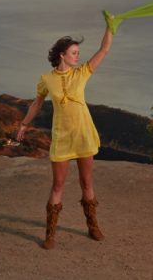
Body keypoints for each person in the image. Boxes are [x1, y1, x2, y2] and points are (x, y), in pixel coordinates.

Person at [15, 23, 114, 249]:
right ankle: (50, 234)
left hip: (83, 135)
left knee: (86, 182)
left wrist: (110, 27)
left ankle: (93, 226)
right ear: (62, 55)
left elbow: (104, 49)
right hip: (62, 138)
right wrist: (23, 124)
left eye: (78, 53)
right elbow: (37, 103)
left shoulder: (83, 72)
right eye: (74, 53)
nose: (78, 56)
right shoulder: (47, 79)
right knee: (58, 185)